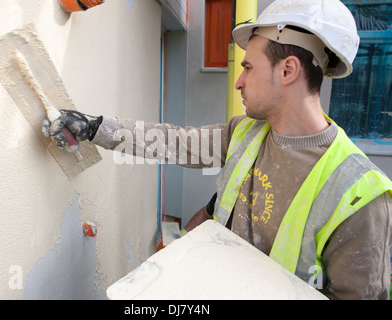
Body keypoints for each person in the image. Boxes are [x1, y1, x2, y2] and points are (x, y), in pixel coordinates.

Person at [42, 0, 392, 300]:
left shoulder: (359, 195)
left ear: (287, 70)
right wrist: (94, 127)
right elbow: (169, 141)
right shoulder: (246, 133)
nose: (239, 81)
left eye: (249, 67)